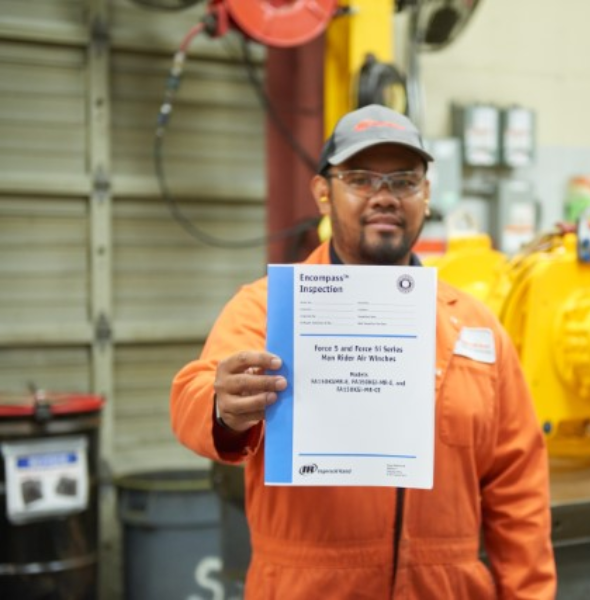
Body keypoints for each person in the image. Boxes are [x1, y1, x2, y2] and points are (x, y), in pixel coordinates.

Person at [170, 104, 556, 599]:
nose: (385, 197)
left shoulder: (474, 327)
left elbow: (517, 486)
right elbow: (191, 395)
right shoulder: (269, 310)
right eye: (361, 179)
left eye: (403, 180)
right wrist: (223, 408)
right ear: (323, 193)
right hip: (305, 587)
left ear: (427, 194)